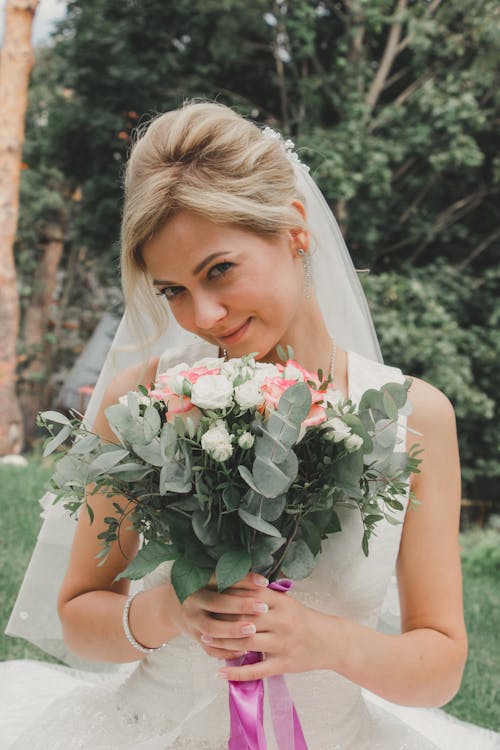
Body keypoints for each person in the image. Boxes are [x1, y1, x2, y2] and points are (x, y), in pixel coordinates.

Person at [2, 101, 499, 750]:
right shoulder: (147, 401)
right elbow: (77, 616)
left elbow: (440, 664)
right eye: (173, 290)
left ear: (294, 229)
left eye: (219, 270)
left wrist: (323, 640)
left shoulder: (413, 418)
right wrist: (170, 612)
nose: (203, 315)